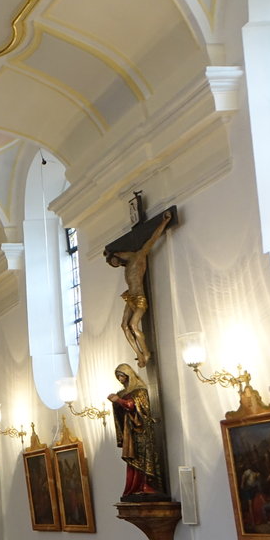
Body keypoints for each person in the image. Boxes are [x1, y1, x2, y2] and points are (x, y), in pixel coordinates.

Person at [104, 209, 173, 368]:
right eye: (112, 263)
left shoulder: (140, 255)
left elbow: (154, 238)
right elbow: (115, 253)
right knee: (124, 326)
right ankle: (138, 353)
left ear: (119, 255)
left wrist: (164, 221)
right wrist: (109, 253)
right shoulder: (126, 265)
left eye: (114, 261)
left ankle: (146, 353)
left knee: (134, 325)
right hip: (130, 296)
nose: (115, 263)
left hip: (140, 296)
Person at [108, 363, 165, 497]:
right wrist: (116, 403)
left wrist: (119, 401)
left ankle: (146, 484)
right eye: (118, 377)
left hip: (142, 430)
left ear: (129, 375)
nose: (120, 379)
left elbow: (133, 407)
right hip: (130, 431)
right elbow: (121, 413)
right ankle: (134, 487)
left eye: (121, 376)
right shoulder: (122, 394)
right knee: (133, 458)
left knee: (143, 456)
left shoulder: (140, 391)